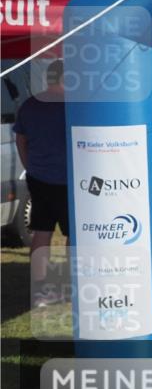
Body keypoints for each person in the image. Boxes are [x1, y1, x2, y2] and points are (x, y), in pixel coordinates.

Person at [13, 60, 69, 308]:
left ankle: (40, 291)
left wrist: (30, 166)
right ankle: (72, 285)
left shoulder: (30, 105)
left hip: (39, 179)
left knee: (41, 233)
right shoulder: (72, 106)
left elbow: (20, 139)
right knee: (74, 236)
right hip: (68, 180)